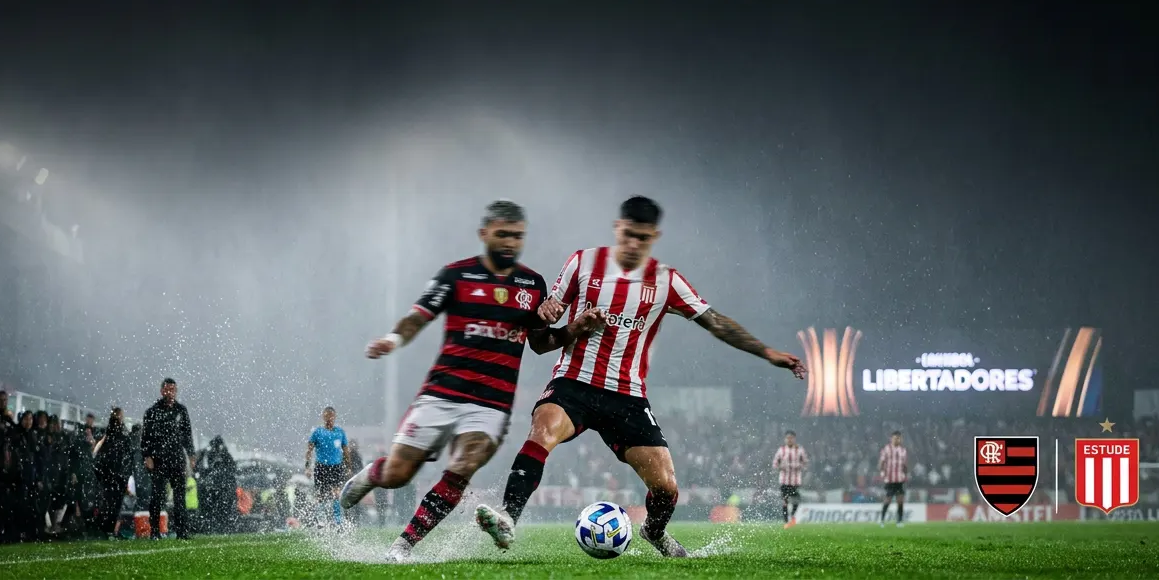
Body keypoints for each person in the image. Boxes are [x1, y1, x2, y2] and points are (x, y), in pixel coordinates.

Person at [476, 195, 806, 557]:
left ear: (654, 237)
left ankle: (654, 531)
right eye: (628, 234)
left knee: (666, 487)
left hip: (627, 396)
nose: (634, 244)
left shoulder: (666, 281)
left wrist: (767, 352)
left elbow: (715, 322)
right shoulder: (582, 263)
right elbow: (541, 343)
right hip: (574, 382)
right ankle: (508, 517)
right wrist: (551, 319)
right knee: (542, 432)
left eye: (643, 238)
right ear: (618, 228)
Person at [339, 200, 603, 562]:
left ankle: (402, 547)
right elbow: (419, 316)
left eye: (517, 236)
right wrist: (393, 340)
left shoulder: (532, 284)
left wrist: (575, 329)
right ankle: (376, 472)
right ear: (484, 234)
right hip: (442, 392)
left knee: (462, 467)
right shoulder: (456, 275)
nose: (511, 242)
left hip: (492, 404)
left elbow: (541, 344)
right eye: (503, 234)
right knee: (400, 474)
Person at [140, 378, 195, 539]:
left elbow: (187, 435)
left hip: (177, 459)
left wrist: (191, 454)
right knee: (157, 497)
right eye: (168, 389)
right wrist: (147, 456)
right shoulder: (152, 411)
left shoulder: (181, 410)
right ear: (162, 391)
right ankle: (155, 532)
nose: (171, 393)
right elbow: (145, 438)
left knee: (179, 498)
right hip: (159, 460)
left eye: (173, 390)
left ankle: (182, 532)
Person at [92, 408, 132, 539]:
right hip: (113, 475)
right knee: (111, 504)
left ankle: (108, 530)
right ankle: (106, 529)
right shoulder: (113, 433)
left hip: (114, 475)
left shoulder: (113, 433)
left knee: (113, 504)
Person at [305, 406, 349, 526]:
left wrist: (348, 467)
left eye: (331, 415)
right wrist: (307, 467)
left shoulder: (340, 432)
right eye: (326, 415)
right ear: (323, 417)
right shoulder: (317, 432)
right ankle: (321, 519)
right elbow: (309, 450)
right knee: (321, 494)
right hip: (321, 466)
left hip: (336, 467)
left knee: (336, 493)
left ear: (334, 417)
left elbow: (345, 450)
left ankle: (337, 519)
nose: (329, 418)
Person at [772, 430, 808, 527]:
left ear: (794, 439)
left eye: (791, 438)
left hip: (795, 480)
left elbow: (805, 463)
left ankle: (792, 516)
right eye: (788, 438)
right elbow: (775, 464)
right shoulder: (781, 450)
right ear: (785, 439)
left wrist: (799, 466)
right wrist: (780, 467)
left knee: (796, 500)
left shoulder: (799, 450)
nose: (789, 440)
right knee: (785, 500)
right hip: (784, 480)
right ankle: (785, 520)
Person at [879, 430, 908, 527]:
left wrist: (905, 474)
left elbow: (905, 465)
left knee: (900, 500)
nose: (897, 440)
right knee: (888, 499)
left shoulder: (903, 450)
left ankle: (899, 521)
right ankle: (882, 520)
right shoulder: (886, 449)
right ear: (891, 439)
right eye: (895, 438)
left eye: (899, 438)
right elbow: (881, 462)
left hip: (899, 479)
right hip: (890, 479)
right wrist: (882, 472)